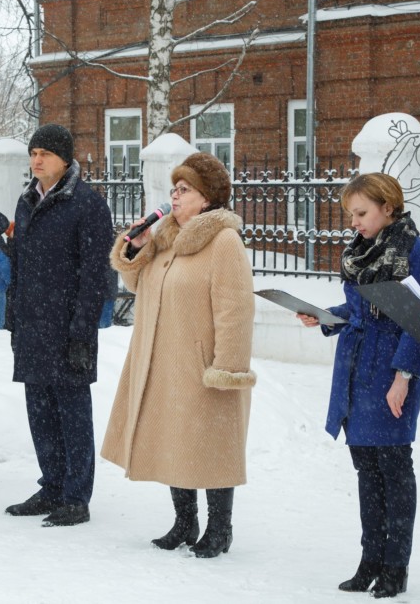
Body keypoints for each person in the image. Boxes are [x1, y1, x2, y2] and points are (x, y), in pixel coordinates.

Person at [102, 151, 256, 558]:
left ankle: (220, 528)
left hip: (202, 364)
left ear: (206, 198)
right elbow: (140, 286)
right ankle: (185, 522)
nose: (175, 194)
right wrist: (137, 248)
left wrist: (228, 368)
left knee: (212, 444)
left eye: (184, 189)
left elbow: (236, 309)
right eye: (174, 187)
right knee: (176, 440)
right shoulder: (167, 238)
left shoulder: (223, 241)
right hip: (164, 360)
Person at [296, 172, 420, 596]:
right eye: (350, 214)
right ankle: (370, 560)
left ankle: (395, 567)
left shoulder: (416, 255)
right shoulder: (361, 251)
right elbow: (360, 310)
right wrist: (324, 317)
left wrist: (403, 377)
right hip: (356, 371)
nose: (353, 222)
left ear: (387, 208)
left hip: (390, 372)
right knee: (366, 471)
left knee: (394, 469)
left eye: (360, 213)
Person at [4, 124, 114, 527]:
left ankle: (75, 497)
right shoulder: (26, 201)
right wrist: (14, 317)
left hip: (68, 328)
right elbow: (19, 265)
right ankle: (51, 486)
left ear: (65, 160)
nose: (36, 160)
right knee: (40, 412)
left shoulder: (87, 204)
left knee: (73, 415)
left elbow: (95, 275)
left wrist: (82, 331)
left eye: (45, 154)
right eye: (33, 153)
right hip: (32, 325)